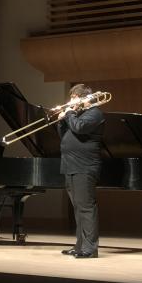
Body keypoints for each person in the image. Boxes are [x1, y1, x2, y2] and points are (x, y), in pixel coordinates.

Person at [57, 83, 105, 258]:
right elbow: (64, 135)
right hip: (70, 166)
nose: (70, 101)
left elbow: (79, 128)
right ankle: (80, 246)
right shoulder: (76, 115)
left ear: (85, 97)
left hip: (84, 166)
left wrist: (68, 113)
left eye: (74, 97)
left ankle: (90, 249)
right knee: (78, 208)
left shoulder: (95, 113)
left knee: (86, 208)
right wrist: (62, 120)